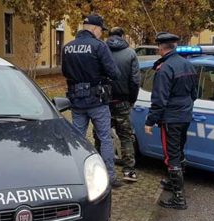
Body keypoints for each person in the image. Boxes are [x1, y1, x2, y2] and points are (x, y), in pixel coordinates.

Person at [62, 14, 122, 188]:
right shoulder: (99, 46)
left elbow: (65, 71)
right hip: (97, 101)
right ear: (95, 28)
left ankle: (78, 176)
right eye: (101, 30)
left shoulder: (68, 47)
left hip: (76, 102)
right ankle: (109, 176)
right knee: (105, 138)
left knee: (78, 139)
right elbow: (114, 73)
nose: (101, 34)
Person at [144, 32, 198, 209]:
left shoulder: (165, 69)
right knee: (179, 150)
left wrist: (150, 122)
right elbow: (194, 94)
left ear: (161, 48)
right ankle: (173, 183)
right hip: (185, 116)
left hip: (171, 119)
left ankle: (179, 198)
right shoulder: (188, 65)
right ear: (174, 46)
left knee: (171, 155)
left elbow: (159, 100)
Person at [94, 27, 140, 182]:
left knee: (101, 136)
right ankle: (129, 171)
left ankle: (101, 170)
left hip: (103, 102)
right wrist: (131, 99)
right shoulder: (130, 53)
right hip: (122, 101)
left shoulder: (100, 50)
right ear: (123, 35)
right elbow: (135, 81)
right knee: (125, 136)